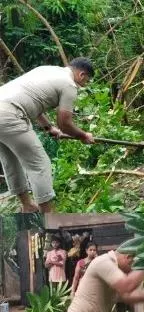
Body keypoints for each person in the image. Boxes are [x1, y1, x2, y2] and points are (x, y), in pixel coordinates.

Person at [0, 57, 97, 213]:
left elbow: (34, 100)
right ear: (82, 74)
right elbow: (64, 122)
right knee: (39, 164)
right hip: (10, 115)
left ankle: (27, 206)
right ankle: (48, 215)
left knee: (10, 161)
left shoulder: (46, 70)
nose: (85, 84)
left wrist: (48, 127)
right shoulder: (69, 84)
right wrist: (83, 135)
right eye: (87, 81)